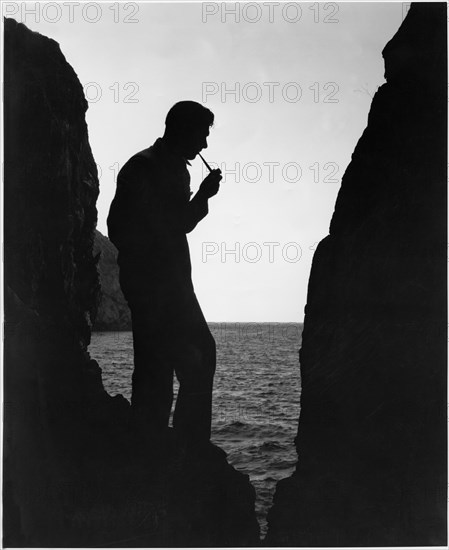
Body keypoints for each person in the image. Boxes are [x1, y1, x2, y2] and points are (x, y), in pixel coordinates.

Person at [107, 101, 222, 445]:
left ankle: (163, 444)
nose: (204, 145)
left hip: (170, 285)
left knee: (166, 364)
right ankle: (181, 447)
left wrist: (202, 195)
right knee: (177, 362)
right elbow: (118, 228)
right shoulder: (142, 168)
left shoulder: (175, 170)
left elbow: (180, 223)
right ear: (182, 130)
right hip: (154, 287)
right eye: (201, 135)